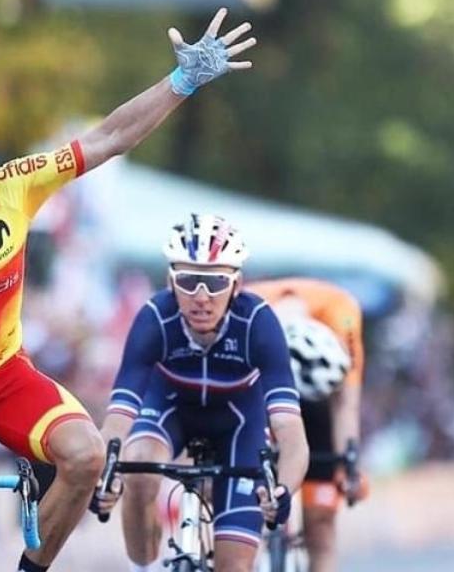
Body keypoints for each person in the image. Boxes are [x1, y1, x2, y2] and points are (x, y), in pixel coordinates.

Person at [0, 8, 259, 572]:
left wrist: (181, 82)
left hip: (3, 376)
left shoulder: (17, 187)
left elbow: (109, 136)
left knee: (86, 455)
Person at [96, 214, 310, 572]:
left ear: (237, 285)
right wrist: (102, 477)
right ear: (170, 281)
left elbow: (291, 434)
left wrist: (283, 490)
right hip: (170, 411)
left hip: (239, 424)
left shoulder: (258, 323)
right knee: (139, 467)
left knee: (234, 566)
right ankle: (144, 567)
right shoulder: (154, 319)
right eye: (188, 280)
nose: (200, 296)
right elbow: (117, 420)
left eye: (214, 282)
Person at [246, 278, 367, 572]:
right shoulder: (246, 310)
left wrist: (347, 466)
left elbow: (345, 405)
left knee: (321, 527)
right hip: (257, 391)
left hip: (318, 405)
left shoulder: (343, 316)